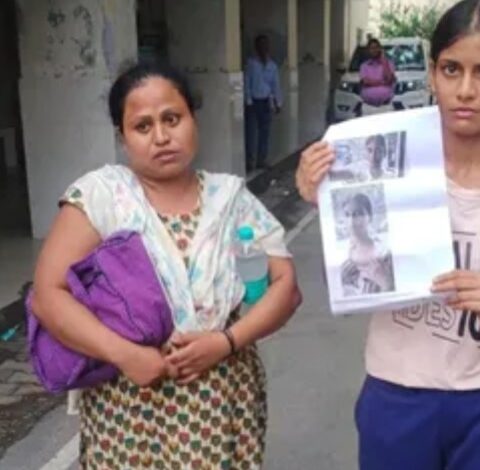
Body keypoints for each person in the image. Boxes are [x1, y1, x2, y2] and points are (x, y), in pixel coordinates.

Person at [296, 1, 480, 468]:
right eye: (451, 69)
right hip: (396, 395)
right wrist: (327, 201)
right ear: (432, 74)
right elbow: (353, 277)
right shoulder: (383, 167)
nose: (465, 90)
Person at [31, 62, 301, 469]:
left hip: (222, 400)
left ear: (193, 119)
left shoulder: (230, 200)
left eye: (172, 119)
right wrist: (125, 355)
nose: (161, 137)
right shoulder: (102, 197)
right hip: (128, 407)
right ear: (123, 137)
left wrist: (226, 342)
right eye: (142, 126)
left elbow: (287, 287)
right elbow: (47, 296)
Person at [340, 192, 395, 296]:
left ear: (369, 217)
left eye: (358, 214)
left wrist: (386, 284)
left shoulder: (385, 253)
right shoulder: (341, 258)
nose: (351, 221)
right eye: (347, 215)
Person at [244, 34, 283, 172]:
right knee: (251, 133)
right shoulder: (251, 63)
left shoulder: (272, 66)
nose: (264, 47)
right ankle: (250, 162)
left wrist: (278, 102)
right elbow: (247, 82)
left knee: (264, 132)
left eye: (266, 45)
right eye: (261, 45)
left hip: (266, 101)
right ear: (256, 47)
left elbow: (275, 85)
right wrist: (248, 100)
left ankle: (261, 160)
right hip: (253, 102)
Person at [359, 38, 396, 107]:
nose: (374, 50)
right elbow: (366, 81)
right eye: (372, 48)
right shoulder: (364, 66)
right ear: (368, 50)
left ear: (380, 49)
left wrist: (384, 62)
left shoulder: (389, 64)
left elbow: (389, 80)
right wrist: (382, 82)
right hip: (368, 105)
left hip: (386, 105)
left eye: (376, 47)